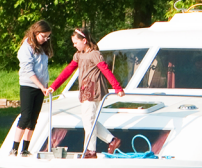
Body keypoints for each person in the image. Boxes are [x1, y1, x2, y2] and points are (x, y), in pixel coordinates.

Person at [50, 27, 126, 156]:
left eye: (75, 43)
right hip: (85, 90)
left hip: (94, 90)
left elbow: (105, 70)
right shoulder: (79, 55)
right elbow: (68, 70)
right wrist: (54, 86)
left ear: (84, 40)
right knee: (89, 120)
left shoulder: (95, 54)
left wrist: (117, 87)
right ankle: (112, 140)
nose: (74, 45)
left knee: (88, 121)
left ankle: (91, 151)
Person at [12, 21, 54, 155]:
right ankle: (14, 148)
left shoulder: (43, 48)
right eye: (43, 36)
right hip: (29, 85)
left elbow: (43, 68)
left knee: (34, 118)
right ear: (36, 33)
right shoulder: (26, 47)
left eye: (48, 36)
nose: (45, 39)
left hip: (41, 87)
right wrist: (41, 86)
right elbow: (29, 71)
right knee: (25, 116)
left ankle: (25, 148)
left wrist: (46, 85)